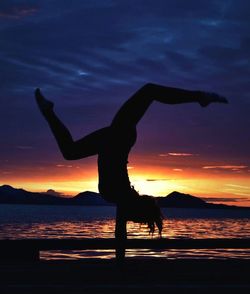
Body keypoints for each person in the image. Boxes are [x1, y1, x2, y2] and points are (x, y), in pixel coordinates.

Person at [35, 83, 228, 260]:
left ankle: (48, 111)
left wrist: (121, 261)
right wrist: (120, 261)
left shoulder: (123, 199)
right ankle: (200, 97)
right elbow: (121, 233)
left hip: (114, 141)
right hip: (118, 139)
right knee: (149, 91)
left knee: (70, 151)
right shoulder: (124, 197)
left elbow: (120, 233)